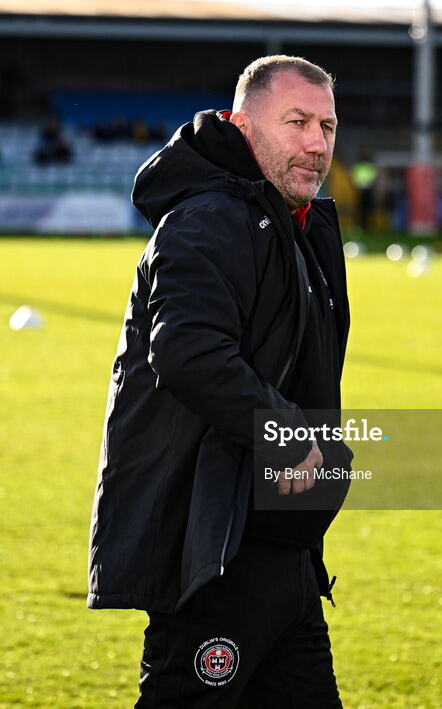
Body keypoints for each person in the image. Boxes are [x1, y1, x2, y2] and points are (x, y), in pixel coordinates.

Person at [87, 55, 352, 708]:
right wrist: (289, 435)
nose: (316, 143)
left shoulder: (297, 224)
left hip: (284, 553)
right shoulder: (209, 218)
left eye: (326, 125)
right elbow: (188, 353)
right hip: (220, 549)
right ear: (241, 124)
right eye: (295, 122)